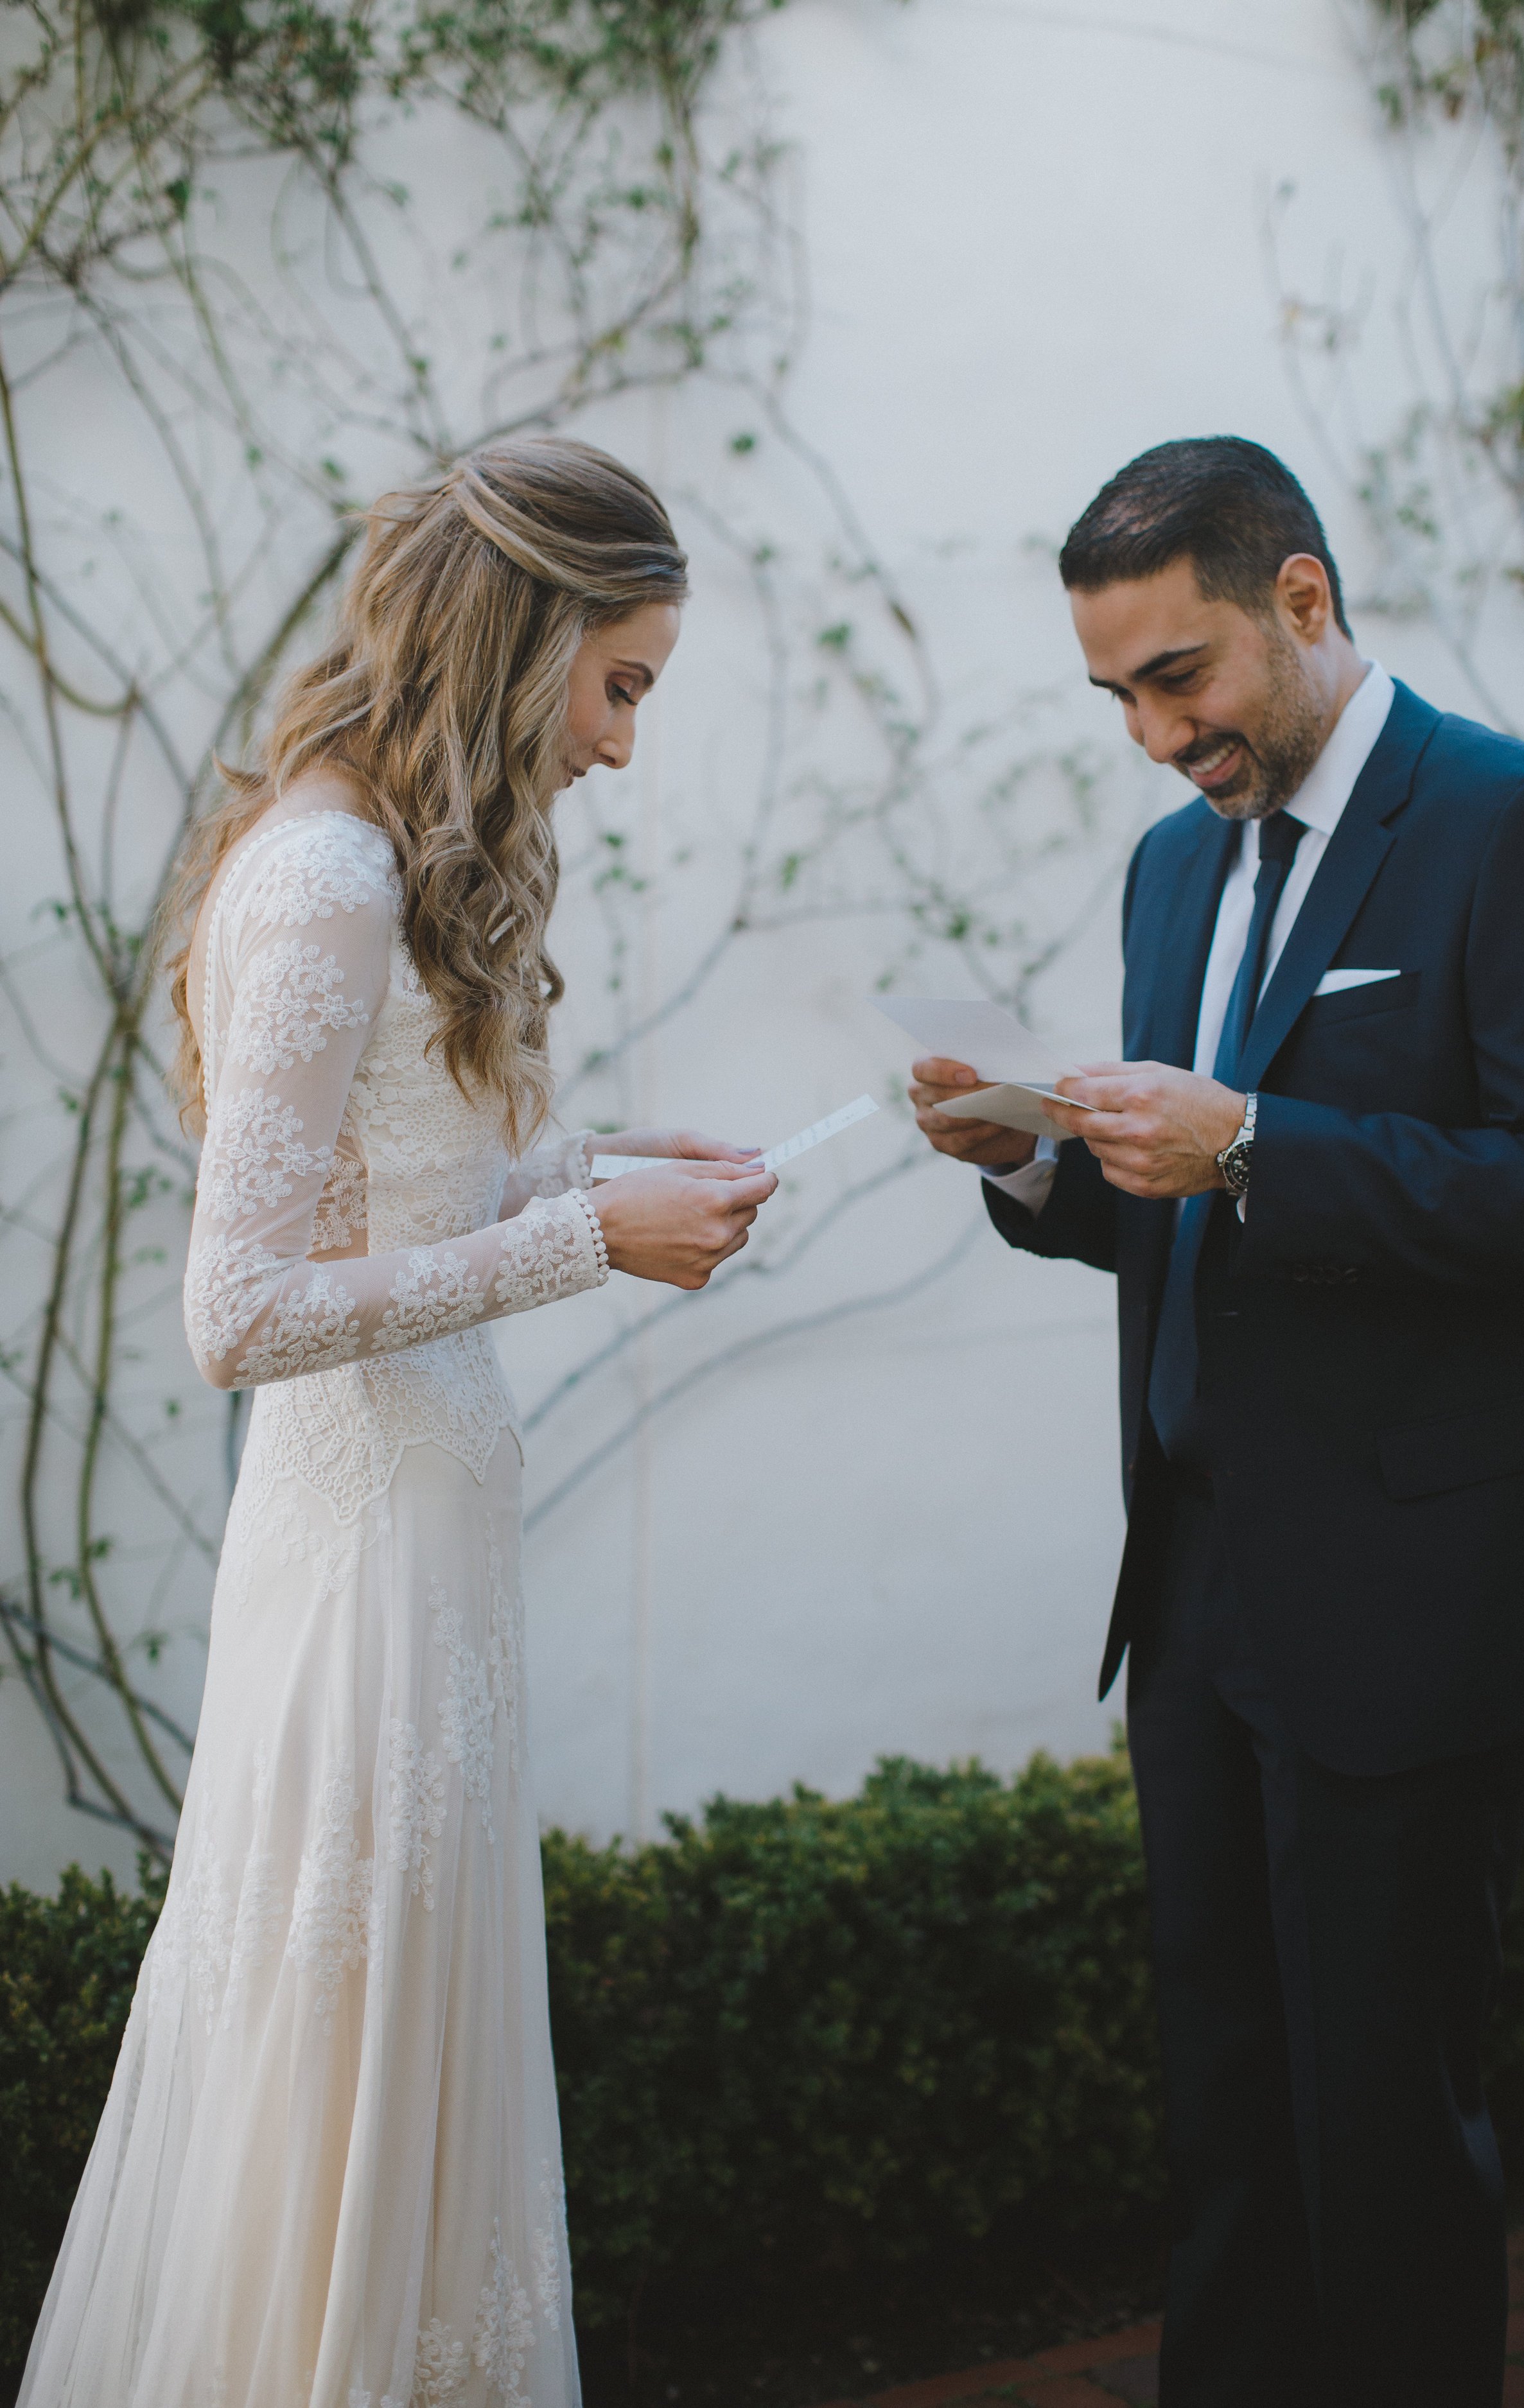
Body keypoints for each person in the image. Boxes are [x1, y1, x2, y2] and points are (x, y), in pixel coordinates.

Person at [19, 435, 776, 2408]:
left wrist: (606, 1171)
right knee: (329, 2075)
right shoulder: (326, 872)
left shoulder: (395, 858)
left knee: (396, 2061)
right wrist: (587, 1241)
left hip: (429, 1557)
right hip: (354, 1575)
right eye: (618, 684)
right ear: (522, 643)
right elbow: (241, 1308)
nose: (622, 744)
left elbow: (404, 1199)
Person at [909, 437, 1524, 2407]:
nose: (1152, 734)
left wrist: (1256, 1146)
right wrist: (1038, 1166)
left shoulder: (1518, 824)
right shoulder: (1168, 864)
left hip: (1415, 1589)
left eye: (1179, 676)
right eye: (1115, 693)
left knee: (1383, 2140)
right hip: (1201, 1590)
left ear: (1300, 601)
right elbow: (1199, 1213)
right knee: (1224, 2123)